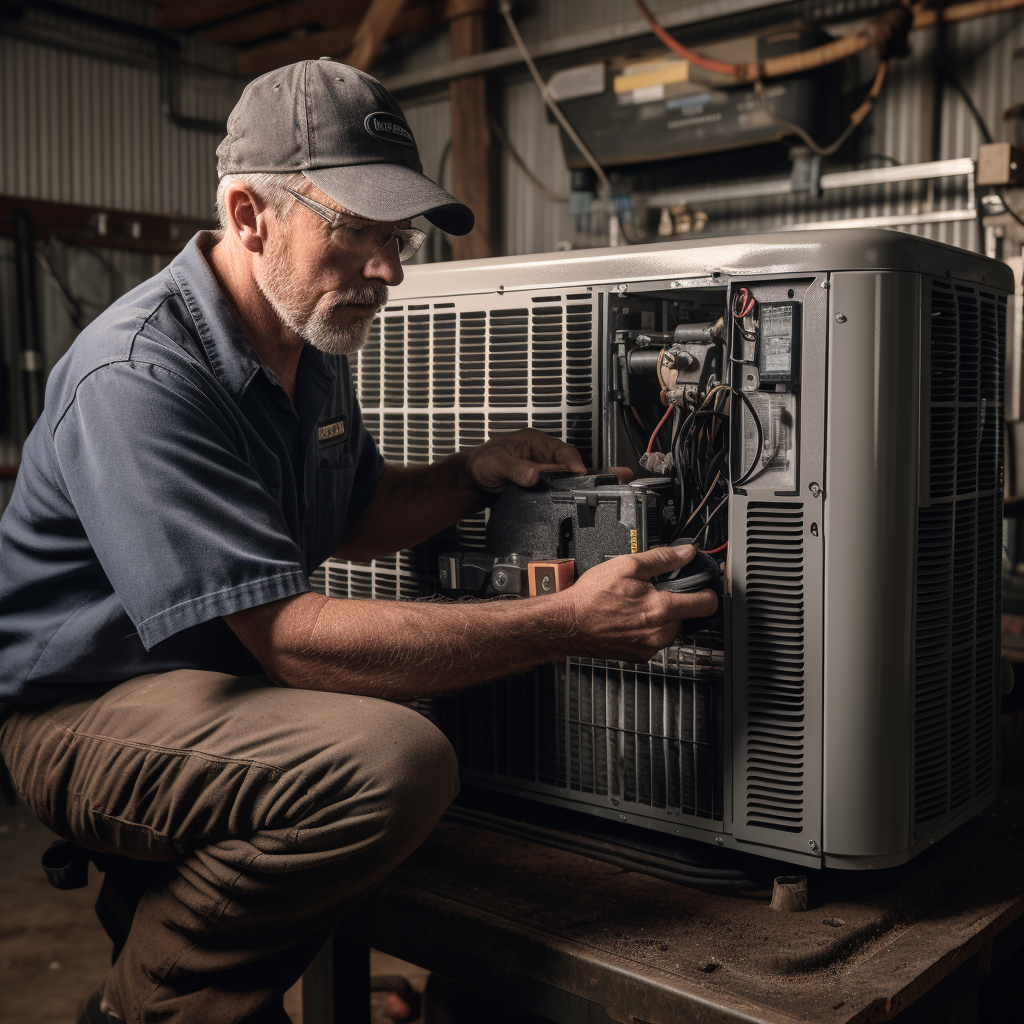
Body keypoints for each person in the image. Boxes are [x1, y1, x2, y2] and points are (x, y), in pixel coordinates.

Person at [0, 61, 716, 1024]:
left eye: (400, 235)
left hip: (216, 688)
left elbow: (361, 513)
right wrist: (565, 623)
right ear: (250, 215)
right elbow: (291, 640)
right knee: (391, 761)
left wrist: (471, 472)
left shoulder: (309, 340)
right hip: (80, 708)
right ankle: (145, 1008)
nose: (391, 269)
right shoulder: (138, 375)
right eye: (360, 233)